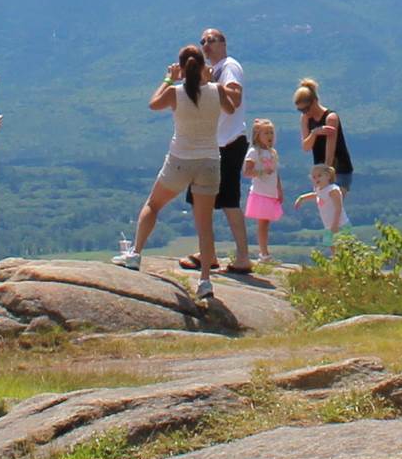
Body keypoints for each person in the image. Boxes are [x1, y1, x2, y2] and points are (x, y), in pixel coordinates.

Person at [116, 45, 225, 300]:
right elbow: (231, 107)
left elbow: (153, 103)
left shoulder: (175, 93)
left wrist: (168, 79)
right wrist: (211, 81)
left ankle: (135, 254)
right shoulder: (217, 91)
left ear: (181, 68)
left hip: (179, 161)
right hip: (209, 162)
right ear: (202, 66)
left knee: (153, 205)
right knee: (205, 225)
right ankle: (205, 281)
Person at [177, 26, 251, 278]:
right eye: (203, 41)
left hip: (228, 142)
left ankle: (242, 257)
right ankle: (208, 253)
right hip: (212, 143)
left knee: (228, 200)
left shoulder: (229, 66)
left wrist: (210, 83)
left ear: (223, 43)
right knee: (201, 199)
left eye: (211, 40)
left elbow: (235, 98)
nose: (206, 45)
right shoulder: (214, 70)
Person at [295, 79, 353, 234]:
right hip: (321, 171)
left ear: (314, 101)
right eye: (301, 110)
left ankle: (340, 241)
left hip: (338, 168)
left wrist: (327, 174)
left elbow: (330, 150)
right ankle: (335, 243)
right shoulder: (306, 119)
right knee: (326, 210)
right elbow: (306, 147)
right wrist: (315, 133)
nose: (305, 113)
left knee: (335, 209)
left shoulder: (330, 117)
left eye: (306, 109)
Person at [239, 117, 287, 265]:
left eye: (271, 132)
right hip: (260, 192)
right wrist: (261, 172)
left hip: (271, 192)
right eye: (266, 133)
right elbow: (247, 172)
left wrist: (279, 190)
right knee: (263, 224)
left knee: (266, 223)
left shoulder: (272, 152)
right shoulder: (254, 152)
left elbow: (275, 173)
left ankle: (264, 252)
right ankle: (264, 253)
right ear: (257, 136)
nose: (270, 136)